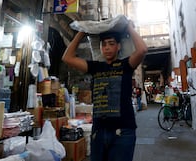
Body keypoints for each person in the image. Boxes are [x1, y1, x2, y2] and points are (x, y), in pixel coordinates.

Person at [62, 20, 147, 161]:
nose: (107, 48)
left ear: (119, 46)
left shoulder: (126, 65)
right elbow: (67, 58)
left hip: (123, 131)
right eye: (104, 44)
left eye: (111, 44)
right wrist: (82, 32)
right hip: (99, 131)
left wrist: (129, 27)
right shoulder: (96, 67)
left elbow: (143, 49)